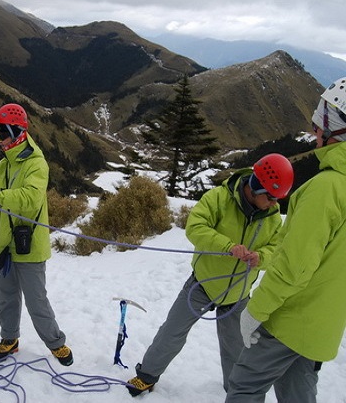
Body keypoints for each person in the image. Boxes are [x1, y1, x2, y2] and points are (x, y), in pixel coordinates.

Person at [126, 153, 294, 396]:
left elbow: (275, 249)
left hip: (238, 293)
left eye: (278, 199)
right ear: (256, 187)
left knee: (236, 348)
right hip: (202, 284)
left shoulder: (272, 218)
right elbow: (196, 227)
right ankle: (147, 376)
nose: (274, 204)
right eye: (270, 197)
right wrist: (227, 246)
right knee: (172, 332)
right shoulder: (219, 198)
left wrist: (261, 257)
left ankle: (236, 391)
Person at [226, 78, 346, 402]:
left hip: (291, 320)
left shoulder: (326, 189)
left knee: (244, 386)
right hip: (323, 325)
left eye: (319, 127)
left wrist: (255, 310)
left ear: (334, 131)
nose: (314, 135)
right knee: (298, 394)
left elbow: (296, 267)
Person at [0, 103, 73, 366]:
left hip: (30, 247)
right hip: (8, 246)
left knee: (37, 302)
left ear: (18, 131)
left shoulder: (36, 163)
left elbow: (30, 199)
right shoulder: (4, 165)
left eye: (2, 133)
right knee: (7, 298)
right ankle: (9, 339)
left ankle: (56, 344)